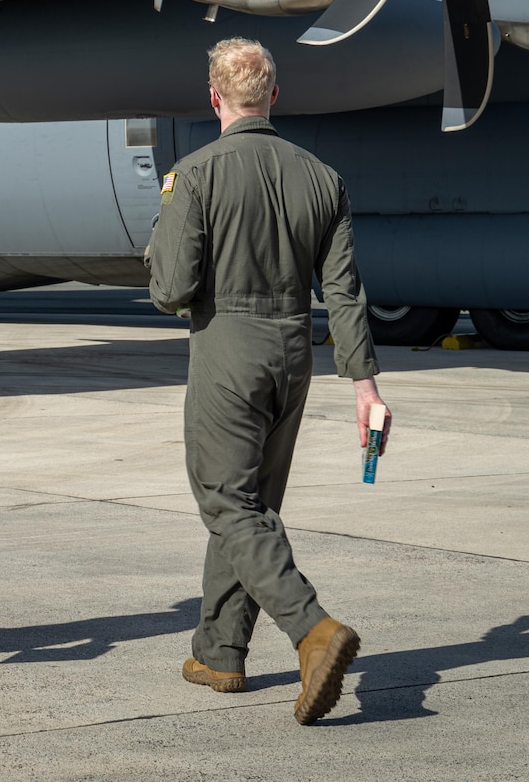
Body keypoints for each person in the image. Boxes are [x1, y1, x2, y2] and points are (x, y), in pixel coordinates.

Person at [147, 37, 390, 725]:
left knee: (226, 501)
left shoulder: (193, 174)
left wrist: (158, 238)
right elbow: (344, 291)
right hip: (294, 353)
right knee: (251, 505)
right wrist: (364, 385)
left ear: (215, 97)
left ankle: (313, 629)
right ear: (274, 96)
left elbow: (170, 288)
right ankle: (219, 651)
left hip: (228, 346)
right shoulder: (322, 177)